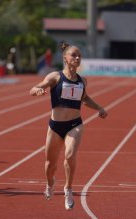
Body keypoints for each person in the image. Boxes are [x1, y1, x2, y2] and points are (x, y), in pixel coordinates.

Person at [29, 42, 108, 210]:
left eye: (79, 55)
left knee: (70, 155)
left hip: (75, 124)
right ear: (65, 58)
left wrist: (99, 108)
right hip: (56, 126)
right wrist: (37, 90)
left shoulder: (82, 81)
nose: (77, 58)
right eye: (74, 55)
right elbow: (34, 88)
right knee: (50, 164)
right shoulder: (55, 77)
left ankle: (68, 188)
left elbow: (84, 99)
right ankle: (50, 184)